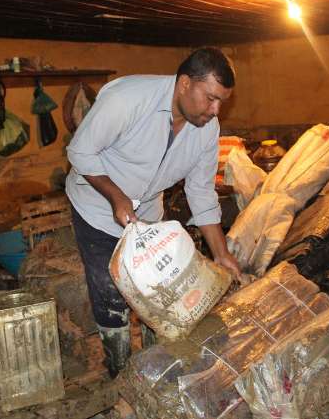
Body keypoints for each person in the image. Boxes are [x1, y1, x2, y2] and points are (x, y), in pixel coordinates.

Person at [66, 47, 241, 377]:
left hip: (147, 215)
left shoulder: (207, 128)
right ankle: (119, 371)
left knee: (158, 293)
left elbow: (201, 191)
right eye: (210, 98)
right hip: (97, 209)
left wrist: (221, 253)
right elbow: (80, 152)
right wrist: (116, 196)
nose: (216, 110)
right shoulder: (127, 100)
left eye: (221, 102)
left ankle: (154, 367)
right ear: (185, 83)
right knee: (110, 293)